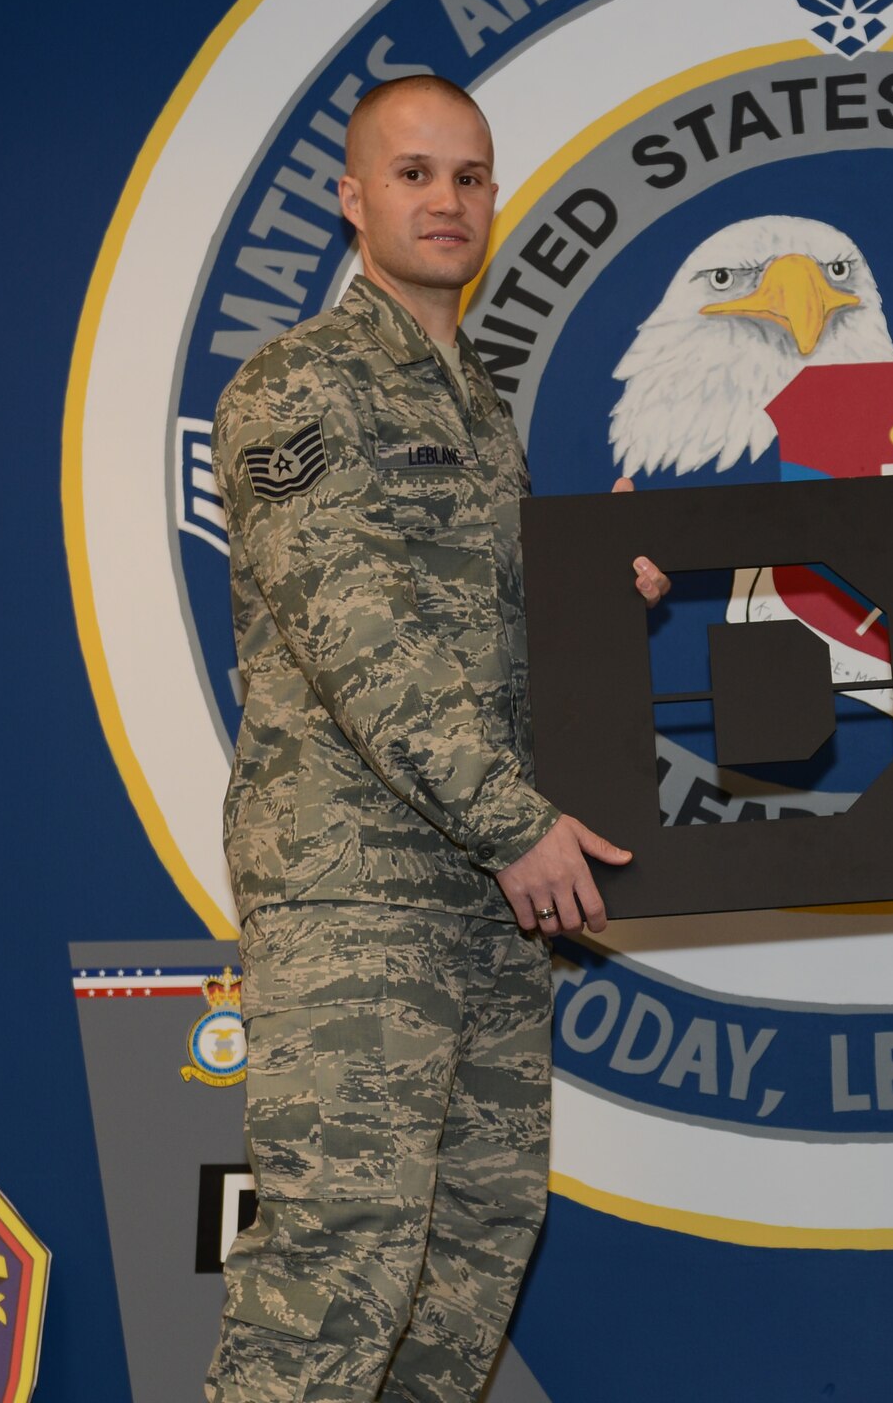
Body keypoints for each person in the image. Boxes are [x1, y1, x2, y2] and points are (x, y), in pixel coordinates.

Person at [206, 75, 666, 1403]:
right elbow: (359, 638)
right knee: (331, 1283)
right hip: (363, 895)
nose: (446, 201)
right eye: (413, 175)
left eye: (468, 176)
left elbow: (481, 639)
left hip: (485, 910)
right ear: (355, 201)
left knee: (461, 1276)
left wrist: (594, 603)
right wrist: (515, 823)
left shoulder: (475, 405)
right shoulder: (298, 386)